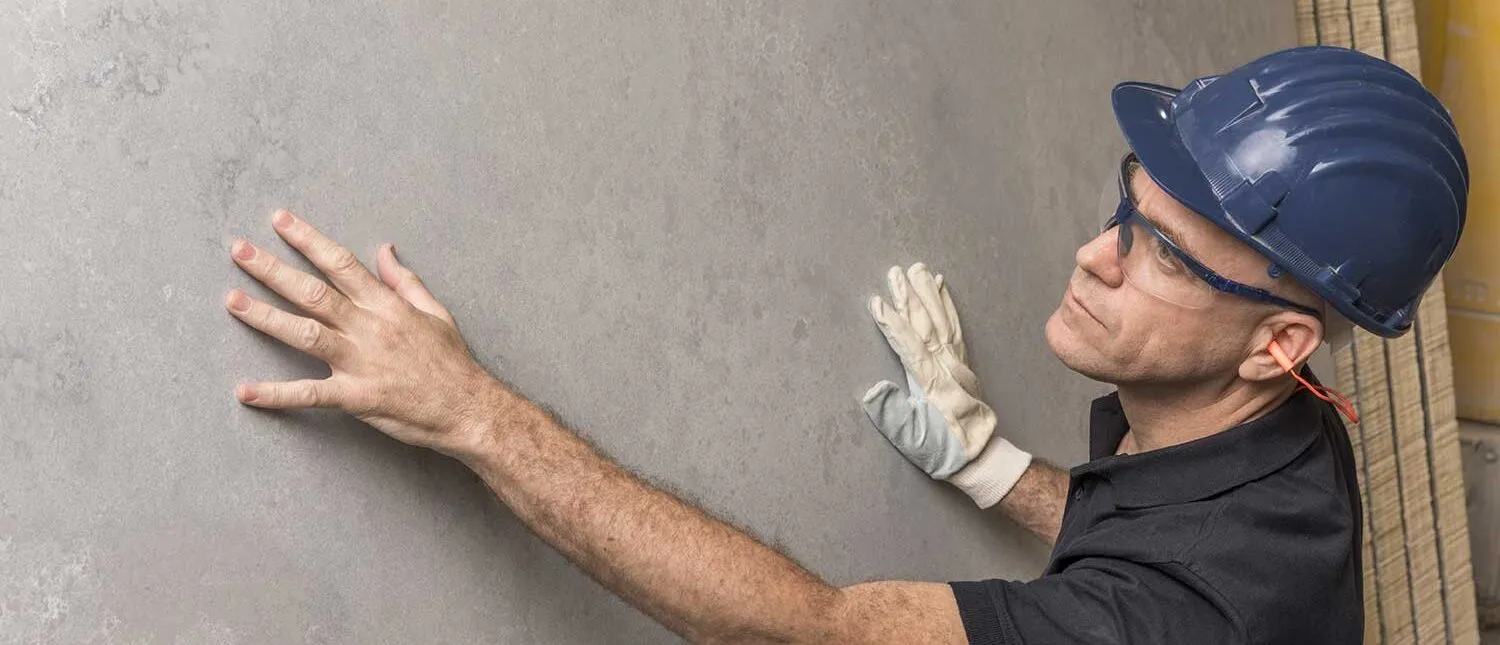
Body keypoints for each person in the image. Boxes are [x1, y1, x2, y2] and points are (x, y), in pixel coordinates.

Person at [222, 46, 1466, 644]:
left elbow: (828, 630)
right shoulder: (1284, 434)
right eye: (1123, 207)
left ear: (1278, 340)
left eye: (1160, 255)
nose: (1095, 256)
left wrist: (468, 411)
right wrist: (992, 467)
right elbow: (1142, 529)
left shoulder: (1191, 618)